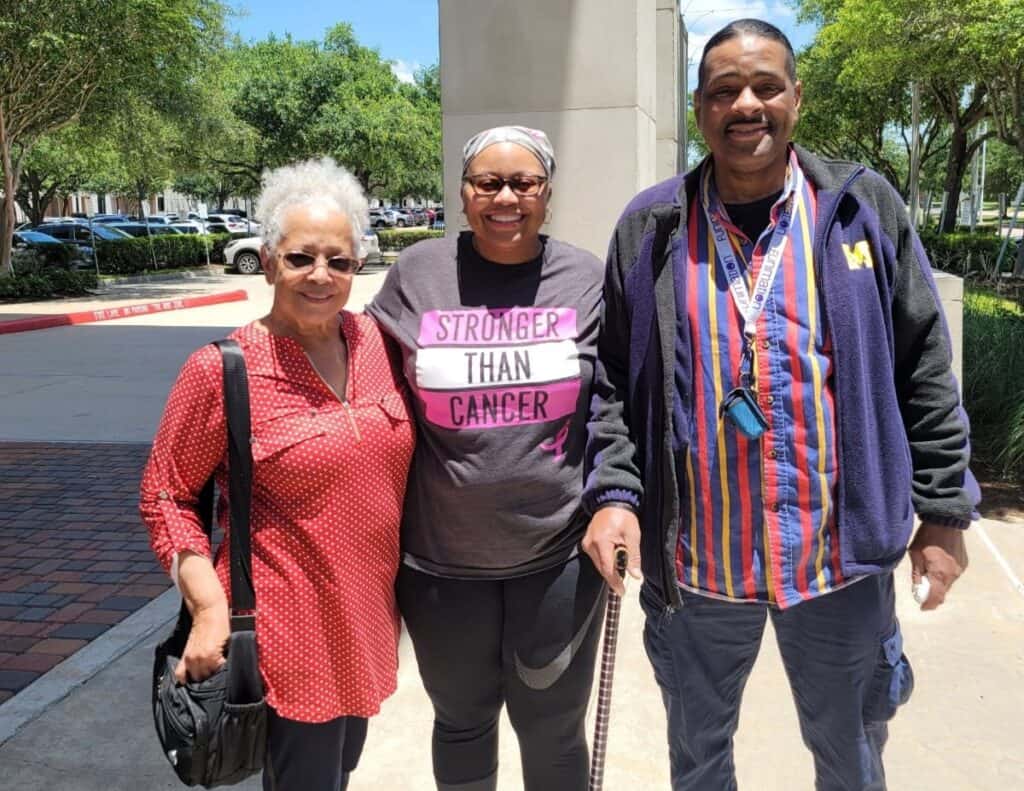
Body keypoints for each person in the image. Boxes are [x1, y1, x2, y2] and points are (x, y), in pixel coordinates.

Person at [581, 19, 979, 791]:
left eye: (765, 86)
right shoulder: (652, 227)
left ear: (796, 97)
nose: (746, 104)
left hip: (837, 565)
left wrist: (943, 512)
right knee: (698, 760)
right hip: (697, 570)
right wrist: (617, 494)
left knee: (853, 756)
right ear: (700, 109)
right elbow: (611, 380)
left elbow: (925, 366)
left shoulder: (861, 208)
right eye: (725, 91)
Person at [140, 158, 414, 791]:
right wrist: (207, 606)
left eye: (339, 261)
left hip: (369, 619)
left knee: (336, 772)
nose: (321, 275)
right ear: (267, 262)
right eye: (300, 258)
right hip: (287, 630)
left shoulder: (375, 344)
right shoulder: (223, 369)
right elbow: (165, 495)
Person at [367, 126, 607, 791]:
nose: (506, 197)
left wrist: (619, 499)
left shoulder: (585, 277)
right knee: (463, 721)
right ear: (464, 193)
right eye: (487, 183)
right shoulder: (418, 272)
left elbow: (617, 400)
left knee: (553, 727)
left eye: (523, 183)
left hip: (558, 557)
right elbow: (361, 370)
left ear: (547, 193)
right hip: (440, 562)